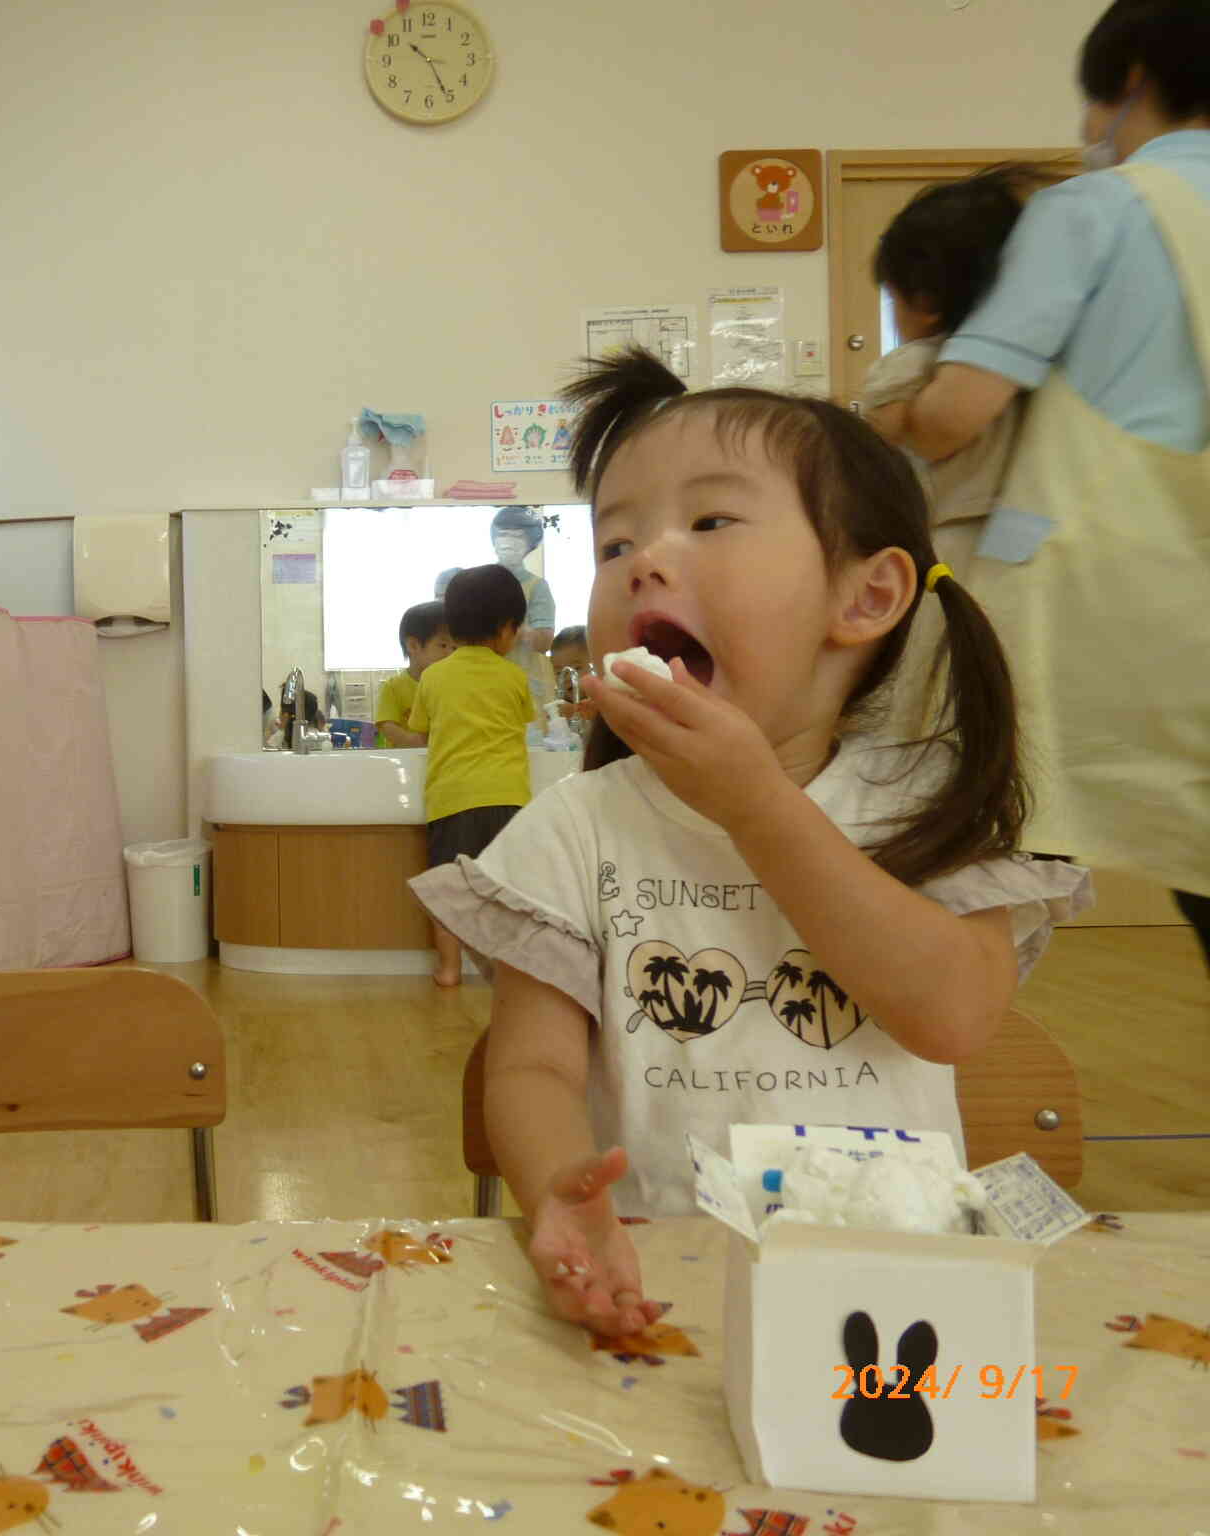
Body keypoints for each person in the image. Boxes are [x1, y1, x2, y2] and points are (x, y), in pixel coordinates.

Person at [412, 350, 1089, 1340]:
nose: (642, 560)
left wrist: (754, 804)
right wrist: (558, 1185)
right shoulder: (573, 827)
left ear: (860, 600)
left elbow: (948, 1015)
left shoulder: (923, 806)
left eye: (709, 521)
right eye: (611, 544)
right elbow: (530, 1067)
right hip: (662, 1279)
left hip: (888, 1290)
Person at [898, 0, 1210, 958]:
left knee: (978, 827)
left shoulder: (1097, 211)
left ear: (1129, 83)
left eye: (1090, 104)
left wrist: (881, 418)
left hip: (1108, 597)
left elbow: (957, 412)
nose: (1086, 135)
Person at [864, 164, 1049, 738]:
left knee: (936, 687)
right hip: (1035, 544)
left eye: (893, 298)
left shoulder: (922, 363)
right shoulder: (1033, 361)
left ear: (924, 299)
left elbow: (880, 428)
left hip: (951, 548)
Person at [408, 566, 534, 988]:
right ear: (504, 630)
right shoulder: (515, 676)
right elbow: (524, 723)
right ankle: (505, 969)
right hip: (508, 799)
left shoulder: (433, 677)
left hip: (453, 799)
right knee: (504, 893)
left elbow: (423, 731)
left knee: (450, 891)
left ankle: (448, 970)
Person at [489, 506, 559, 712]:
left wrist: (512, 629)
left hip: (526, 679)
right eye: (504, 534)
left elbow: (544, 642)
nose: (509, 541)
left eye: (518, 536)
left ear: (530, 543)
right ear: (494, 539)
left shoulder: (537, 587)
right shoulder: (481, 583)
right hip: (486, 679)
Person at [375, 601, 454, 748]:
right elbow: (387, 725)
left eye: (454, 647)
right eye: (443, 645)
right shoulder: (393, 687)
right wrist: (414, 742)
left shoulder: (453, 684)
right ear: (413, 645)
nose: (450, 653)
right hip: (405, 761)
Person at [548, 625, 595, 725]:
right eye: (559, 672)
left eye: (577, 668)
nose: (567, 677)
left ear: (593, 665)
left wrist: (574, 712)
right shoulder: (558, 701)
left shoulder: (599, 698)